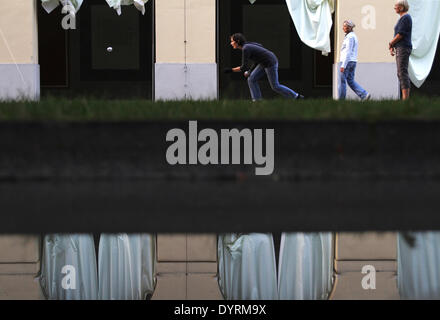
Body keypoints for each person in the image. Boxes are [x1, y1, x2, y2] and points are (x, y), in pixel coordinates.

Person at [224, 33, 304, 101]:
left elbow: (243, 67)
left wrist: (230, 70)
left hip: (270, 62)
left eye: (232, 41)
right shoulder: (247, 46)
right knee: (251, 79)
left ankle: (297, 96)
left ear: (237, 42)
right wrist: (250, 71)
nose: (231, 43)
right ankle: (257, 101)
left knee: (275, 86)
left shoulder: (246, 49)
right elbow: (257, 58)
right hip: (263, 62)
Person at [339, 20, 371, 100]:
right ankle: (364, 95)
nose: (343, 28)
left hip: (347, 61)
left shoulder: (350, 37)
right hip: (352, 61)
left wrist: (343, 65)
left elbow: (348, 51)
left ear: (349, 27)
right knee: (350, 80)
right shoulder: (353, 36)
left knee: (342, 81)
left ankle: (341, 100)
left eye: (345, 26)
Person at [389, 0, 412, 100]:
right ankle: (405, 98)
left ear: (402, 7)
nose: (394, 8)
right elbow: (398, 35)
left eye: (396, 6)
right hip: (400, 47)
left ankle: (405, 99)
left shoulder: (406, 18)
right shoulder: (402, 18)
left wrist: (391, 43)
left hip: (403, 47)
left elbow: (400, 34)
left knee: (402, 72)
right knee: (401, 72)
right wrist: (392, 46)